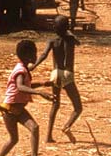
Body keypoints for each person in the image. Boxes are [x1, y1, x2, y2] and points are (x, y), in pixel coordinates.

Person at [0, 39, 53, 156]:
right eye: (34, 53)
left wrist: (43, 84)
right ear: (28, 55)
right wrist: (39, 92)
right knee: (13, 138)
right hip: (9, 109)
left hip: (19, 109)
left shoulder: (24, 69)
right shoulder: (20, 70)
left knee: (34, 128)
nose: (36, 56)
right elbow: (20, 87)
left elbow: (26, 86)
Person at [32, 15, 84, 143]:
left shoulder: (52, 41)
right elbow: (79, 42)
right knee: (78, 107)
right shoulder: (71, 39)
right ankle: (67, 126)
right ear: (67, 27)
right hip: (67, 74)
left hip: (55, 73)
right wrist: (69, 31)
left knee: (55, 104)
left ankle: (48, 136)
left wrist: (34, 66)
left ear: (54, 28)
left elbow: (44, 55)